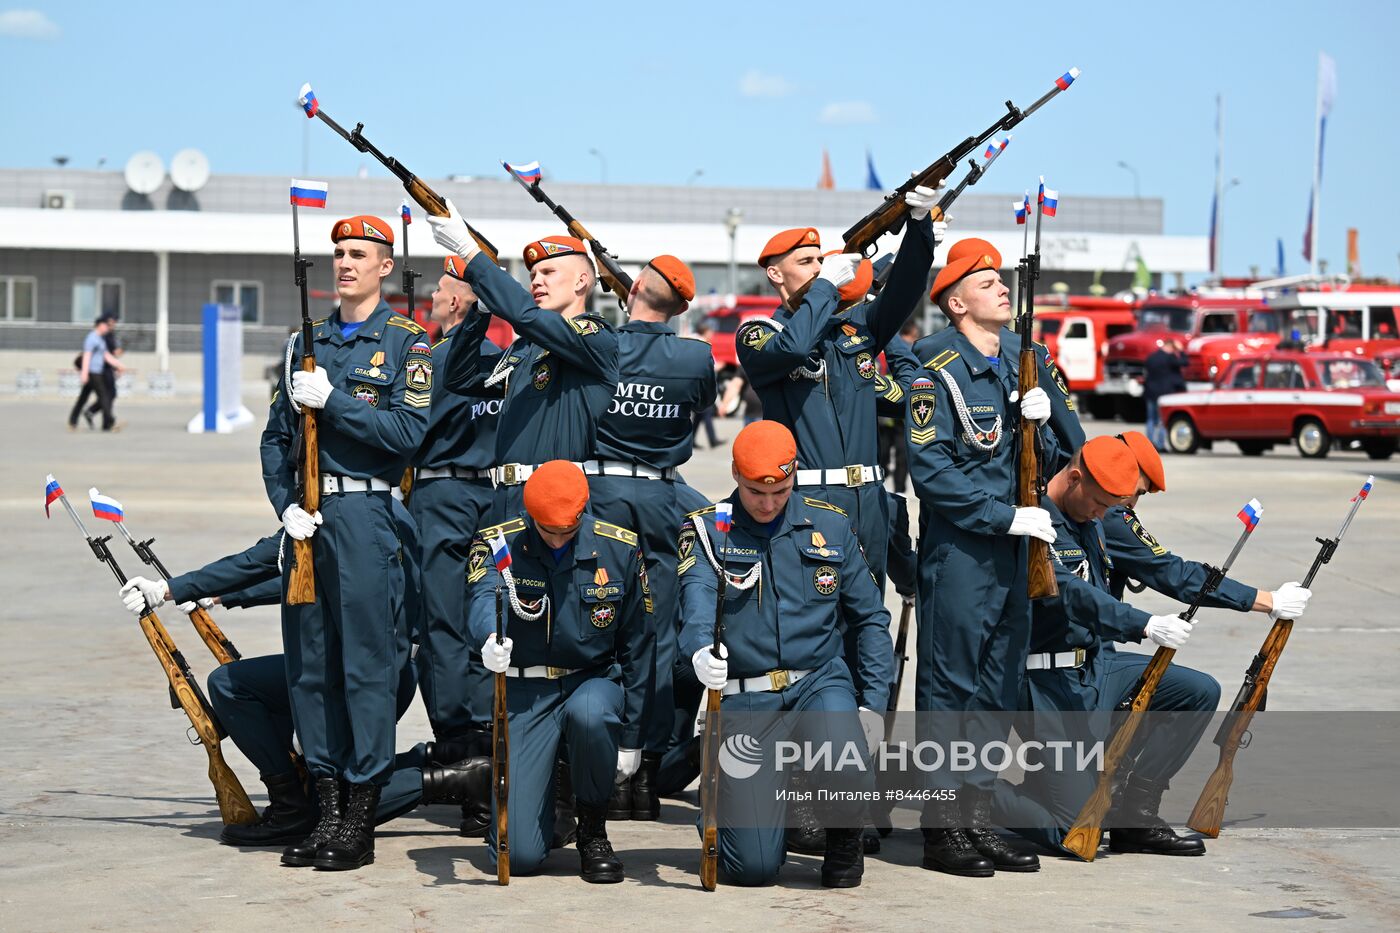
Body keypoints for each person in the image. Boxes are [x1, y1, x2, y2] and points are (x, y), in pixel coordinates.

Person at [988, 436, 1303, 858]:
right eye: (1103, 504)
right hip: (1047, 682)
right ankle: (960, 791)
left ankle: (1135, 813)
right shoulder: (1035, 521)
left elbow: (1171, 571)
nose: (1107, 515)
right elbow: (1073, 595)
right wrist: (1146, 624)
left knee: (1197, 691)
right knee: (1075, 832)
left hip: (1095, 669)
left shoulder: (1094, 517)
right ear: (1076, 478)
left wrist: (1265, 601)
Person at [116, 506, 490, 852]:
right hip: (372, 672)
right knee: (231, 684)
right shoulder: (387, 510)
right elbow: (297, 566)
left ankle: (457, 779)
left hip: (366, 680)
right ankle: (294, 798)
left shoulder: (349, 513)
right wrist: (211, 595)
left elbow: (265, 559)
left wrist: (170, 589)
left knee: (333, 805)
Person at [260, 214, 432, 871]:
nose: (345, 263)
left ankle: (359, 816)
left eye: (359, 253)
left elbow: (407, 433)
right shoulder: (304, 342)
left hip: (367, 516)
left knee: (366, 668)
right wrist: (284, 505)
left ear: (386, 266)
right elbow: (276, 438)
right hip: (309, 519)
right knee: (310, 668)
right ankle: (326, 808)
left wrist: (335, 402)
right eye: (338, 253)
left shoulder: (407, 342)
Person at [904, 237, 1066, 876]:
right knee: (951, 689)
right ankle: (941, 827)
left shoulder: (1015, 367)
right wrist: (1004, 517)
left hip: (1014, 553)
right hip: (963, 553)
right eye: (986, 282)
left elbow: (1041, 463)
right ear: (955, 302)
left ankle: (977, 814)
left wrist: (1042, 425)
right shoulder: (936, 368)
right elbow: (931, 471)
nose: (1002, 288)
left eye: (1002, 279)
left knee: (998, 688)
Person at [679, 421, 893, 887]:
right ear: (736, 474)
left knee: (845, 754)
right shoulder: (711, 529)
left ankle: (844, 836)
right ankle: (735, 804)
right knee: (752, 868)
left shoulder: (830, 524)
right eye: (756, 492)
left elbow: (871, 618)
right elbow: (696, 601)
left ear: (794, 475)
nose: (768, 504)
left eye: (780, 491)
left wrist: (874, 704)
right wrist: (699, 651)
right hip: (748, 696)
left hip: (818, 682)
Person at [735, 195, 942, 590]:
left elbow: (905, 289)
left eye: (820, 260)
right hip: (811, 498)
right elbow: (795, 348)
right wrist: (827, 287)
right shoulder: (759, 333)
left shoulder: (855, 326)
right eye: (806, 262)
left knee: (869, 611)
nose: (819, 268)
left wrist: (919, 226)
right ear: (775, 274)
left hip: (869, 497)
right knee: (817, 610)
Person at [465, 461, 655, 883]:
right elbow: (483, 594)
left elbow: (639, 645)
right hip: (527, 690)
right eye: (547, 530)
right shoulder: (500, 543)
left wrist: (633, 737)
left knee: (591, 715)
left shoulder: (618, 548)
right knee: (519, 856)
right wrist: (488, 637)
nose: (556, 540)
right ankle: (550, 803)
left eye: (567, 532)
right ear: (530, 515)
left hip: (590, 680)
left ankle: (593, 830)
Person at [583, 256, 716, 823]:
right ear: (681, 307)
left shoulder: (604, 344)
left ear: (632, 287)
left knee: (601, 620)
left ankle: (608, 766)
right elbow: (700, 402)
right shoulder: (696, 355)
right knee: (655, 632)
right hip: (662, 495)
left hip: (601, 492)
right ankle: (646, 770)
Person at [426, 206, 619, 519]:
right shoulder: (526, 349)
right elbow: (461, 378)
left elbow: (526, 317)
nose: (536, 282)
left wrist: (470, 253)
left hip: (556, 497)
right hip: (506, 497)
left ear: (581, 281)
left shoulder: (596, 336)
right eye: (532, 276)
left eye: (548, 272)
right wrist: (481, 312)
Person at [408, 256, 502, 786]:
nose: (431, 299)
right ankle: (489, 728)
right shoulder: (502, 361)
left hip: (440, 494)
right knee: (487, 614)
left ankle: (455, 739)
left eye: (439, 291)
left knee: (441, 621)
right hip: (491, 494)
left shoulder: (434, 359)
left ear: (456, 302)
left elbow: (406, 430)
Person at [68, 314, 124, 431]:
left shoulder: (100, 339)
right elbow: (87, 356)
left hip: (97, 372)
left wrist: (118, 365)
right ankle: (110, 422)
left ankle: (72, 421)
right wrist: (84, 373)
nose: (107, 327)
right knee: (104, 396)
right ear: (100, 325)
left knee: (83, 398)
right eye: (105, 325)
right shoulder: (91, 338)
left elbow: (106, 356)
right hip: (93, 373)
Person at [1143, 339, 1186, 451]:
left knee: (1151, 419)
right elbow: (1185, 362)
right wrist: (1181, 351)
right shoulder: (1170, 358)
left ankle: (1149, 443)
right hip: (1164, 393)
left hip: (1150, 392)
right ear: (1171, 346)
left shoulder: (1151, 357)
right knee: (1162, 420)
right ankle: (1160, 444)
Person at [690, 320, 723, 449]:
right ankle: (712, 439)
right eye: (710, 332)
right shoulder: (702, 344)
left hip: (698, 384)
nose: (712, 334)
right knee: (706, 411)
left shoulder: (695, 341)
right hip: (701, 385)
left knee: (700, 415)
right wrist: (717, 367)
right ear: (705, 331)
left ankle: (692, 439)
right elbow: (706, 365)